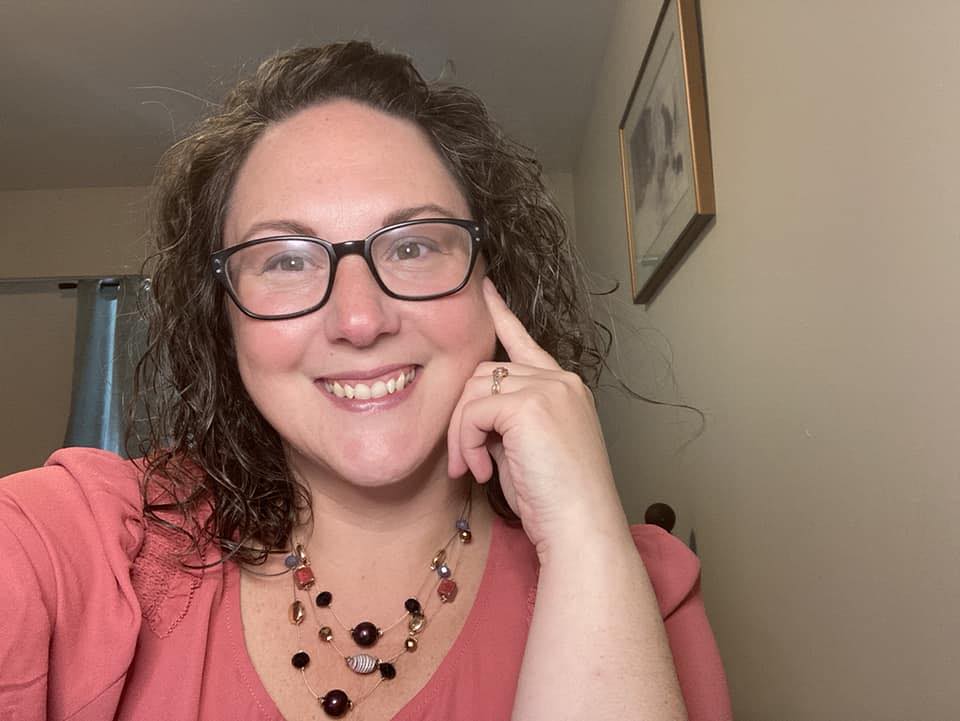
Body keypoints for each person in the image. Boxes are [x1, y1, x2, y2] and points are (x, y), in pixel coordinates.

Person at [0, 41, 731, 721]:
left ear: (494, 279)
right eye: (286, 259)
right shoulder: (91, 540)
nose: (358, 318)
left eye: (412, 245)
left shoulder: (639, 588)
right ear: (223, 317)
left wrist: (584, 536)